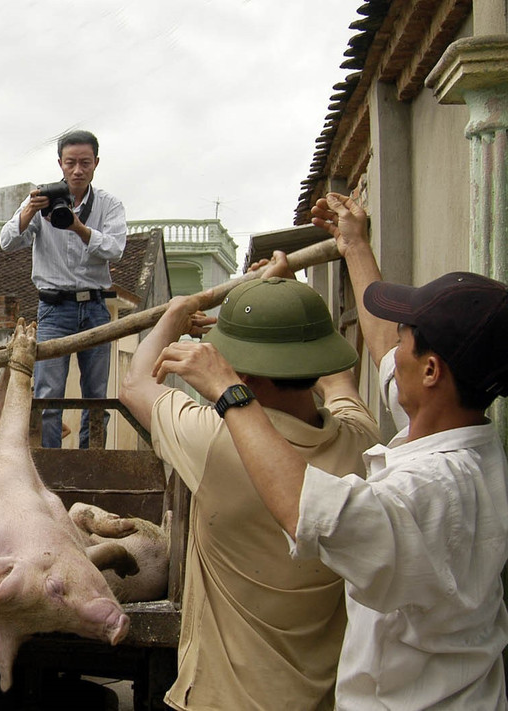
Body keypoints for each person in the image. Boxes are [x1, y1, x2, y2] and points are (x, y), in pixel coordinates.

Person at [162, 191, 508, 708]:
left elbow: (308, 510)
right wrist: (352, 247)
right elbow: (380, 352)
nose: (395, 351)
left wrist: (230, 391)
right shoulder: (454, 426)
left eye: (410, 340)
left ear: (432, 371)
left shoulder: (433, 492)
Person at [119, 256, 381, 710]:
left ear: (238, 373)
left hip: (223, 700)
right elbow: (339, 381)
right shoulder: (361, 442)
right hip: (323, 699)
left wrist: (176, 314)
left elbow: (135, 384)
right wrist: (286, 304)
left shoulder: (214, 441)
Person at [0, 130, 126, 448]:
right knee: (47, 395)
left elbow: (114, 249)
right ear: (60, 163)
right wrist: (30, 210)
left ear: (96, 163)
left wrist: (78, 228)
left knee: (96, 396)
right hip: (54, 308)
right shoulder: (42, 198)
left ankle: (89, 463)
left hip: (96, 307)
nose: (78, 170)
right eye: (71, 163)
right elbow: (7, 242)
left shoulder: (109, 205)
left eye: (85, 162)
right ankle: (51, 468)